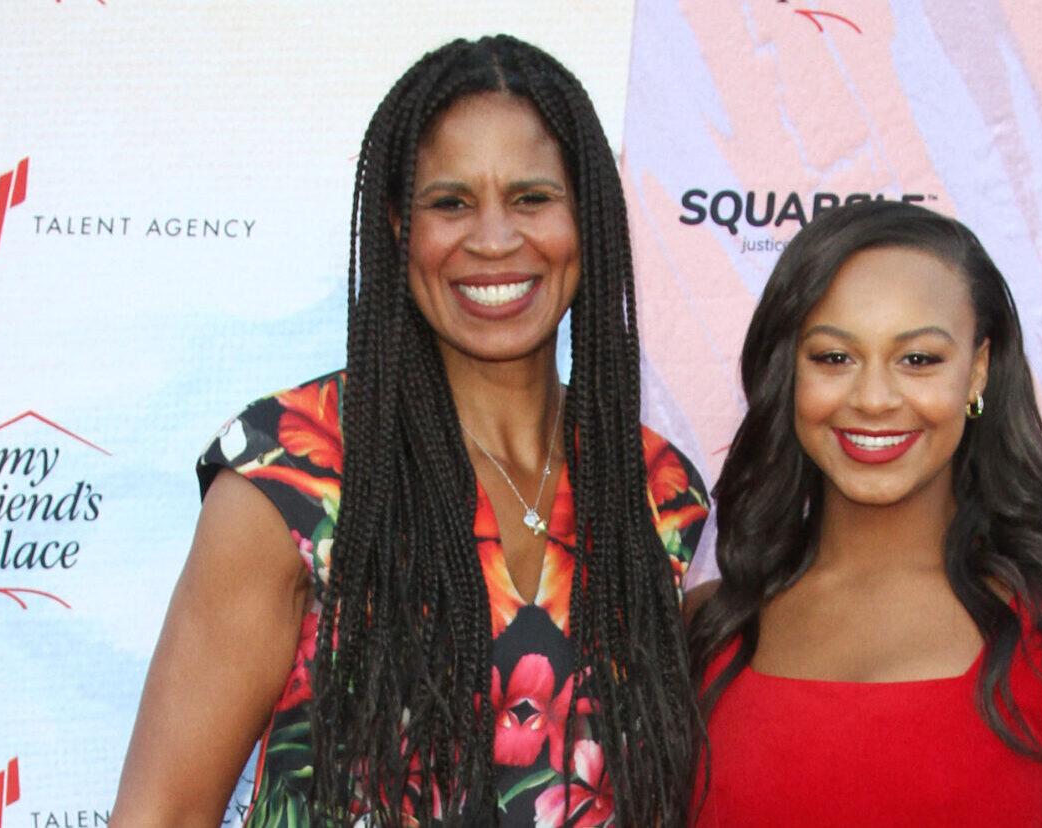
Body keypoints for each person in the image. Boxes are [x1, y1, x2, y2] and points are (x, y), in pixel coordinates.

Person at [113, 36, 711, 827]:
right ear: (399, 226)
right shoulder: (292, 473)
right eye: (451, 202)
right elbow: (161, 814)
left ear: (588, 220)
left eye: (532, 198)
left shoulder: (658, 491)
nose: (494, 239)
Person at [687, 200, 1042, 825]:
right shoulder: (706, 626)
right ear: (788, 372)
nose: (875, 398)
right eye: (834, 357)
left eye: (918, 360)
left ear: (978, 372)